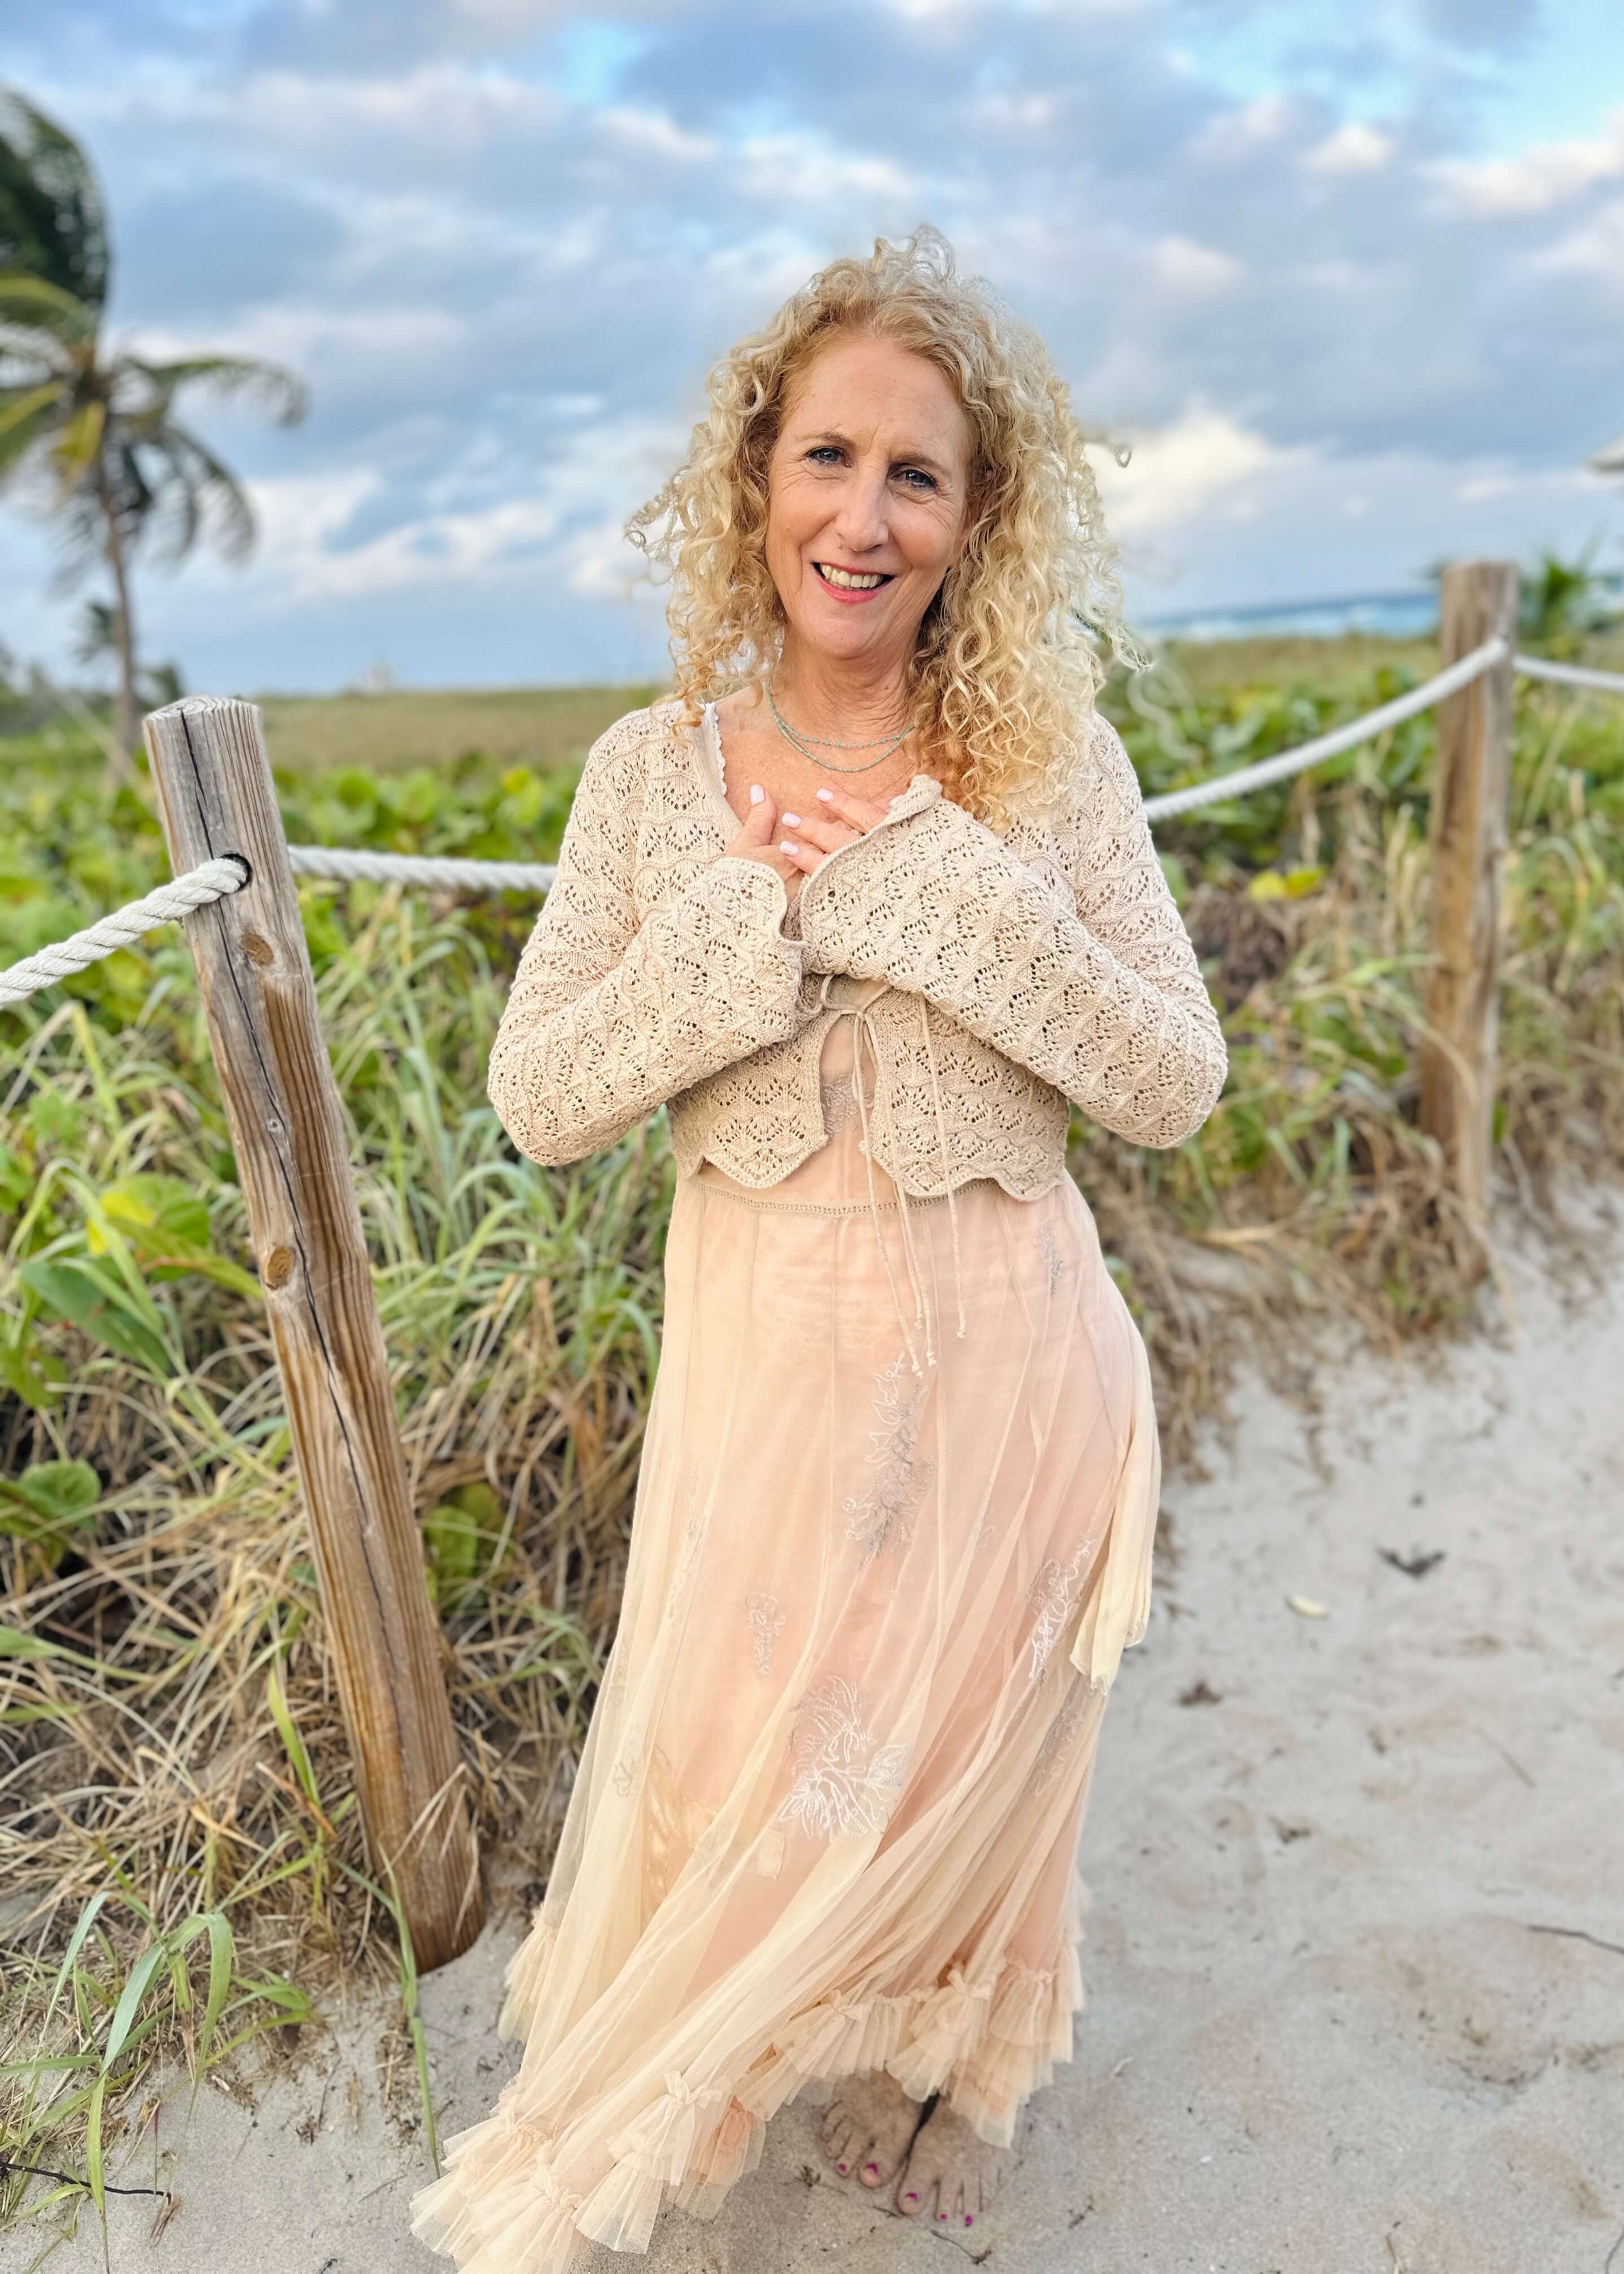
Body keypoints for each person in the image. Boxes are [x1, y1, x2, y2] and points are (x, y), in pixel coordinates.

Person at [411, 224, 1226, 2269]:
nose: (860, 517)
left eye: (917, 475)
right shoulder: (645, 777)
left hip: (1013, 1353)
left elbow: (1170, 1077)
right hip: (765, 1376)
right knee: (740, 1740)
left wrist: (953, 897)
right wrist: (737, 942)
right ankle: (742, 2047)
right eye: (826, 458)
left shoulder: (1046, 768)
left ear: (978, 519)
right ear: (752, 478)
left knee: (972, 1750)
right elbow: (540, 1093)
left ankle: (962, 2067)